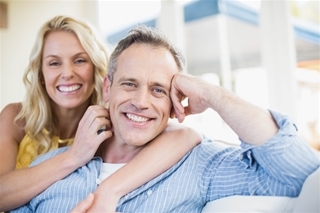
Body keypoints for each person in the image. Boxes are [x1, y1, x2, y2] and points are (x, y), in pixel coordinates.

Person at [12, 25, 320, 213]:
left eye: (158, 89)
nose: (141, 102)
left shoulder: (199, 166)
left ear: (175, 100)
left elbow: (303, 174)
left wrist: (214, 95)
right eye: (129, 83)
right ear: (107, 88)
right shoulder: (48, 168)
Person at [0, 16, 202, 212]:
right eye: (54, 63)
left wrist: (109, 192)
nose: (67, 73)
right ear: (41, 72)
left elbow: (184, 135)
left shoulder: (116, 118)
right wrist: (73, 157)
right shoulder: (16, 117)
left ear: (96, 67)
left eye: (79, 60)